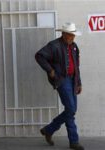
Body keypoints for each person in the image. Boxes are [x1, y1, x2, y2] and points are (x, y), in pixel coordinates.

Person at [35, 22, 84, 150]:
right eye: (70, 35)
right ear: (63, 34)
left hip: (73, 80)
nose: (72, 38)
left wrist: (79, 82)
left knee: (70, 110)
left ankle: (49, 130)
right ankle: (74, 141)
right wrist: (50, 70)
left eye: (73, 36)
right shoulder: (54, 45)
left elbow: (76, 66)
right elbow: (39, 55)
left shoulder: (74, 46)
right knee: (71, 109)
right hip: (62, 80)